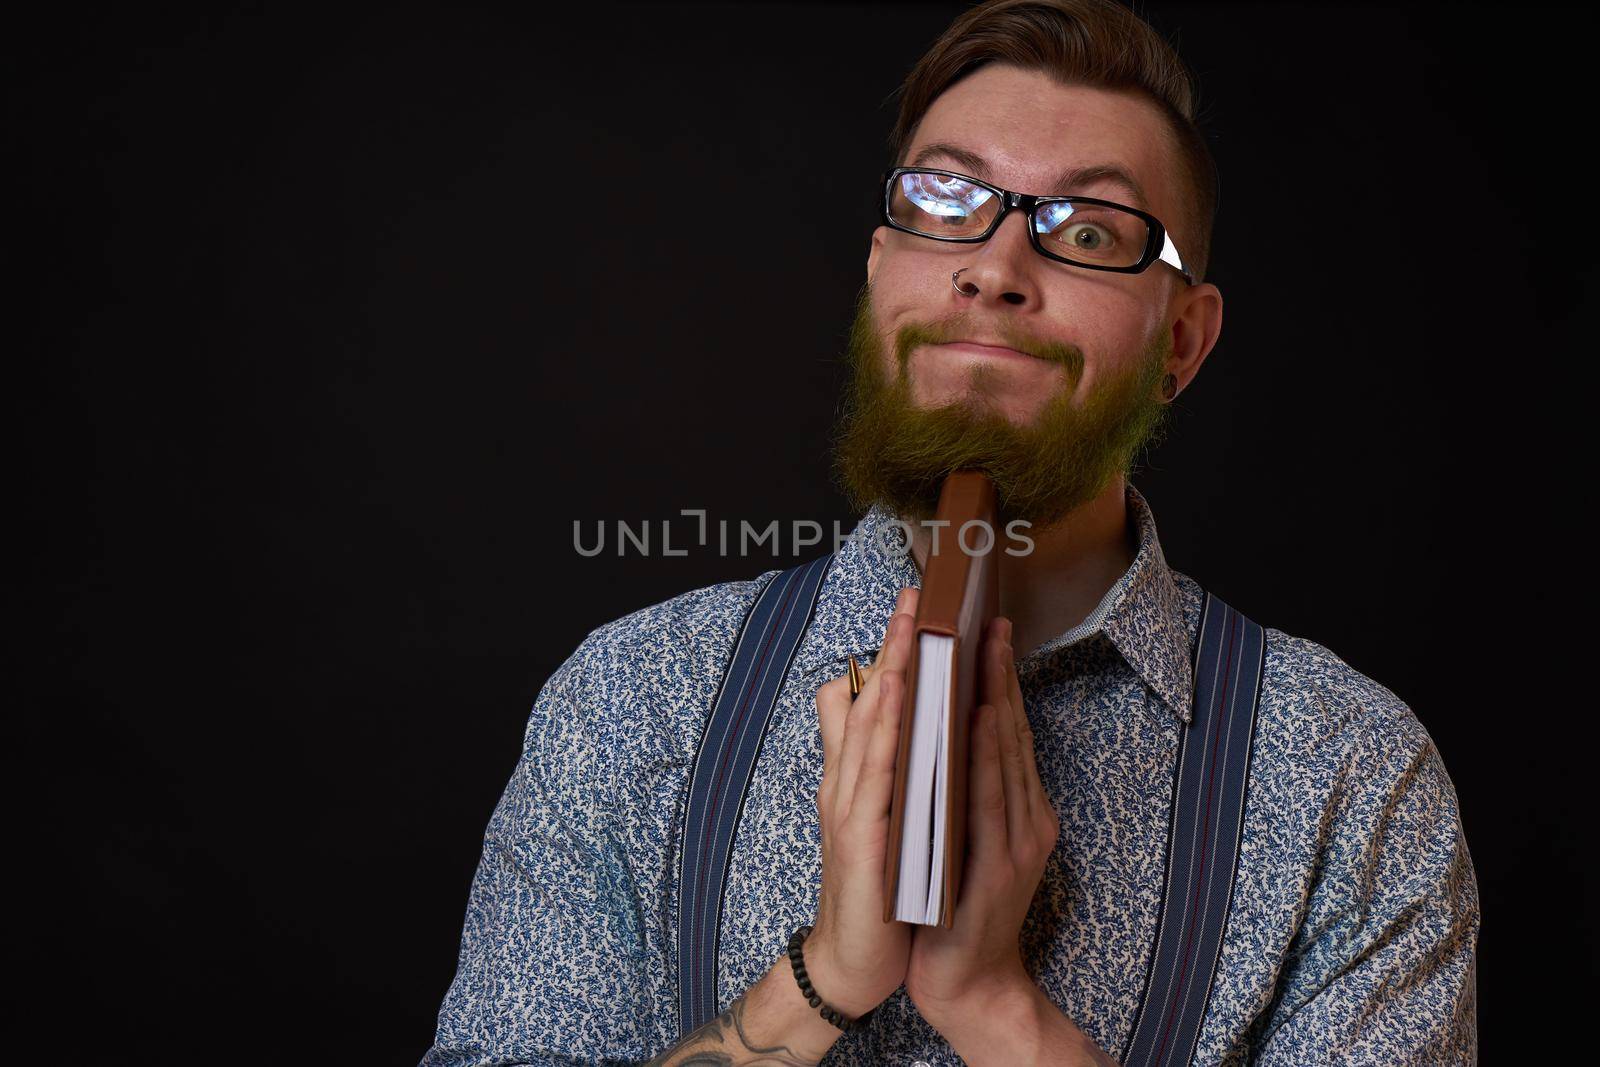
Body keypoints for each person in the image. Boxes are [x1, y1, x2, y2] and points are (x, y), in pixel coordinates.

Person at [418, 1, 1479, 1063]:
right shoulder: (630, 698)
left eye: (1089, 231)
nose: (995, 267)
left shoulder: (1349, 775)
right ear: (884, 268)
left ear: (1182, 341)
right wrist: (822, 979)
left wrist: (994, 1005)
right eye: (946, 197)